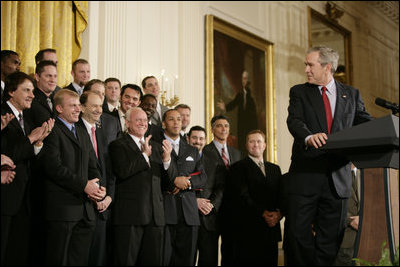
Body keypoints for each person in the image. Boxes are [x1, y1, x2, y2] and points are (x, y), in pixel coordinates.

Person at [286, 46, 372, 265]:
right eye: (306, 64)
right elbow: (294, 121)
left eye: (310, 64)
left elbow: (365, 122)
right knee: (297, 235)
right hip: (306, 176)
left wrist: (386, 129)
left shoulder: (351, 94)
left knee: (331, 239)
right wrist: (308, 137)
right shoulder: (299, 92)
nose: (306, 69)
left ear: (327, 67)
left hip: (337, 179)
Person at [39, 89, 106, 265]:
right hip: (62, 210)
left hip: (85, 211)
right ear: (59, 108)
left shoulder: (81, 131)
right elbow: (53, 167)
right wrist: (84, 185)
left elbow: (93, 165)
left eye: (78, 105)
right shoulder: (52, 130)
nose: (78, 109)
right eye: (73, 105)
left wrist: (98, 187)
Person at [108, 107, 173, 266]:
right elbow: (123, 172)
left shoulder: (157, 147)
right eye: (138, 120)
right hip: (130, 215)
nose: (143, 123)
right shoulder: (117, 145)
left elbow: (168, 184)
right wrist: (144, 156)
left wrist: (167, 161)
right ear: (127, 122)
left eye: (145, 120)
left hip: (155, 217)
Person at [1, 71, 54, 265]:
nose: (32, 95)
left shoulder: (28, 118)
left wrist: (38, 143)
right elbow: (7, 156)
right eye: (26, 90)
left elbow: (28, 155)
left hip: (25, 196)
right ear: (11, 92)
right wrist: (31, 138)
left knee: (19, 250)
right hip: (5, 195)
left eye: (32, 90)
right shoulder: (2, 115)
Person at [226, 130, 283, 265]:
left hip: (271, 228)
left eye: (259, 141)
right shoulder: (237, 168)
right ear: (246, 145)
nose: (255, 144)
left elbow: (282, 195)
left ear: (265, 145)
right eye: (252, 141)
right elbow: (242, 196)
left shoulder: (275, 169)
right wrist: (263, 213)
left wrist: (279, 214)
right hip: (249, 229)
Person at [161, 109, 207, 266]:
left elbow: (202, 177)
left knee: (188, 260)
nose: (176, 122)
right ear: (163, 123)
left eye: (179, 119)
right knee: (165, 258)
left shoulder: (192, 150)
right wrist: (174, 181)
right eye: (172, 119)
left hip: (189, 213)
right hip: (166, 211)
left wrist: (186, 184)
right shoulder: (156, 145)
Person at [197, 115, 241, 266]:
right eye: (219, 126)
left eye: (226, 126)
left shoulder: (236, 153)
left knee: (231, 254)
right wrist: (212, 204)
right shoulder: (204, 151)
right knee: (208, 256)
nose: (223, 129)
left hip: (232, 211)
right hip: (210, 211)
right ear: (212, 129)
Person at [78, 90, 116, 266]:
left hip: (102, 207)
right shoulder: (75, 129)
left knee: (98, 258)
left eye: (100, 106)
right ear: (82, 107)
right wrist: (93, 195)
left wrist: (108, 196)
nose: (98, 110)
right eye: (93, 105)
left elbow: (108, 168)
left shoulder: (100, 132)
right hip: (82, 204)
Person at [216, 70, 257, 152]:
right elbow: (233, 103)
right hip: (242, 125)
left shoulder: (253, 94)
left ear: (249, 81)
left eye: (245, 79)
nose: (244, 81)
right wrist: (225, 107)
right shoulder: (240, 94)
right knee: (242, 145)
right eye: (243, 79)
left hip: (251, 125)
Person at [334, 163, 360, 266]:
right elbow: (328, 208)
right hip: (344, 240)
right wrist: (349, 220)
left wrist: (364, 219)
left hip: (368, 240)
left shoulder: (370, 172)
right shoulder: (332, 175)